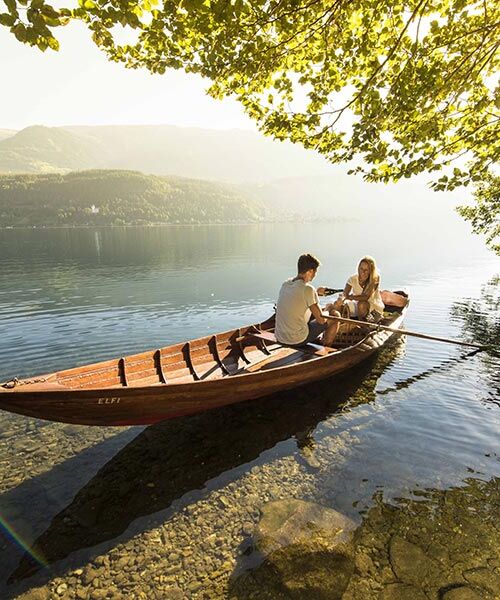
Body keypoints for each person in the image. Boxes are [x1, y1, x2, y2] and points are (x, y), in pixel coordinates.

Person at [275, 253, 340, 347]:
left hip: (279, 337)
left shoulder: (286, 284)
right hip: (296, 340)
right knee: (335, 315)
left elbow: (298, 297)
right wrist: (327, 309)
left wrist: (316, 294)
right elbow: (321, 320)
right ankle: (326, 348)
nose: (315, 275)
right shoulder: (308, 289)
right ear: (309, 271)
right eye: (315, 272)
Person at [332, 256, 384, 322]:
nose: (363, 272)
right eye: (361, 269)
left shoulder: (375, 279)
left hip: (373, 308)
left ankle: (362, 325)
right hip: (358, 305)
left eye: (366, 270)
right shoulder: (353, 278)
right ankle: (337, 325)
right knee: (337, 304)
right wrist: (341, 299)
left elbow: (365, 297)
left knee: (361, 304)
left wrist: (350, 297)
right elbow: (345, 293)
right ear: (358, 268)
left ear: (371, 271)